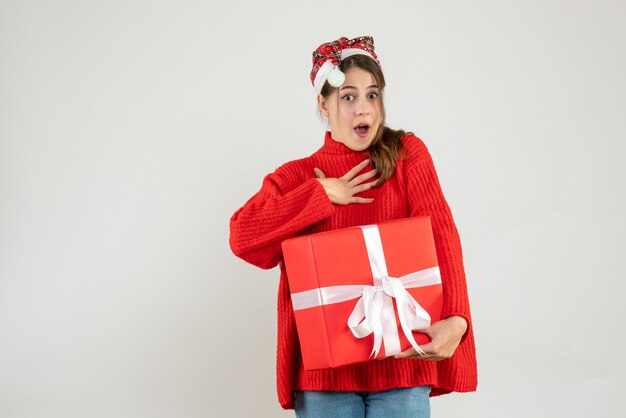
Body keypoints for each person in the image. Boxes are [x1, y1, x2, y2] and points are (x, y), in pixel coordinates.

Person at [229, 35, 477, 418]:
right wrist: (319, 194)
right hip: (325, 378)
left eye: (372, 95)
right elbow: (242, 237)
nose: (364, 108)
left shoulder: (407, 156)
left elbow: (442, 235)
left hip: (402, 363)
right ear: (323, 105)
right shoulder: (298, 177)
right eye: (348, 97)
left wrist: (458, 319)